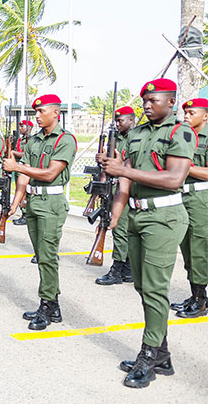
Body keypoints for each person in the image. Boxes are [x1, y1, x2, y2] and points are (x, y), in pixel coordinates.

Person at [99, 79, 193, 389]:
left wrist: (123, 171)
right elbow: (124, 177)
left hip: (164, 216)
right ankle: (162, 355)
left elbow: (174, 178)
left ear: (171, 102)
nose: (147, 105)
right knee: (142, 286)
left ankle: (149, 354)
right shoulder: (136, 133)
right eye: (145, 100)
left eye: (154, 100)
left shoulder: (180, 133)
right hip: (137, 214)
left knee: (154, 289)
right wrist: (115, 211)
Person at [3, 94, 77, 329]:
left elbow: (50, 173)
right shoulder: (34, 141)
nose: (36, 116)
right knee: (42, 256)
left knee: (47, 257)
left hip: (51, 203)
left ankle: (48, 304)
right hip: (34, 203)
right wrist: (15, 204)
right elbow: (24, 174)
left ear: (56, 112)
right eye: (36, 112)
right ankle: (52, 305)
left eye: (41, 111)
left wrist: (15, 166)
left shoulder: (65, 140)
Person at [170, 97, 208, 318]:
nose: (186, 116)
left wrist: (185, 167)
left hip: (201, 199)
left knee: (199, 250)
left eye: (192, 113)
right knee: (187, 249)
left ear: (205, 115)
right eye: (185, 112)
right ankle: (195, 295)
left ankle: (201, 300)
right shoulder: (184, 136)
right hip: (183, 197)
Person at [95, 106, 136, 286]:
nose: (118, 124)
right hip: (114, 187)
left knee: (120, 229)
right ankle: (127, 269)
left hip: (127, 188)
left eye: (121, 120)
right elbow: (108, 165)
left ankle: (117, 269)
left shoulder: (137, 137)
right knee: (123, 229)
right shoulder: (115, 138)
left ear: (132, 120)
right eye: (116, 120)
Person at [12, 120, 33, 226]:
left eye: (23, 126)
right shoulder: (20, 140)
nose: (20, 128)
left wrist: (14, 152)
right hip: (18, 167)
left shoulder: (31, 140)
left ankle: (26, 214)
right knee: (19, 190)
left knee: (25, 192)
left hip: (26, 167)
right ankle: (22, 212)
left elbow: (25, 154)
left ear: (29, 128)